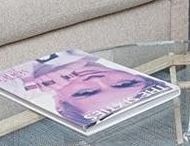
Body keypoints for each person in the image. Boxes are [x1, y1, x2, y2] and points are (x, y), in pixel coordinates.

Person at [19, 52, 169, 130]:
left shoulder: (21, 85)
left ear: (59, 100)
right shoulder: (88, 55)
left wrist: (29, 75)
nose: (98, 80)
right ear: (135, 75)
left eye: (85, 92)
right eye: (124, 83)